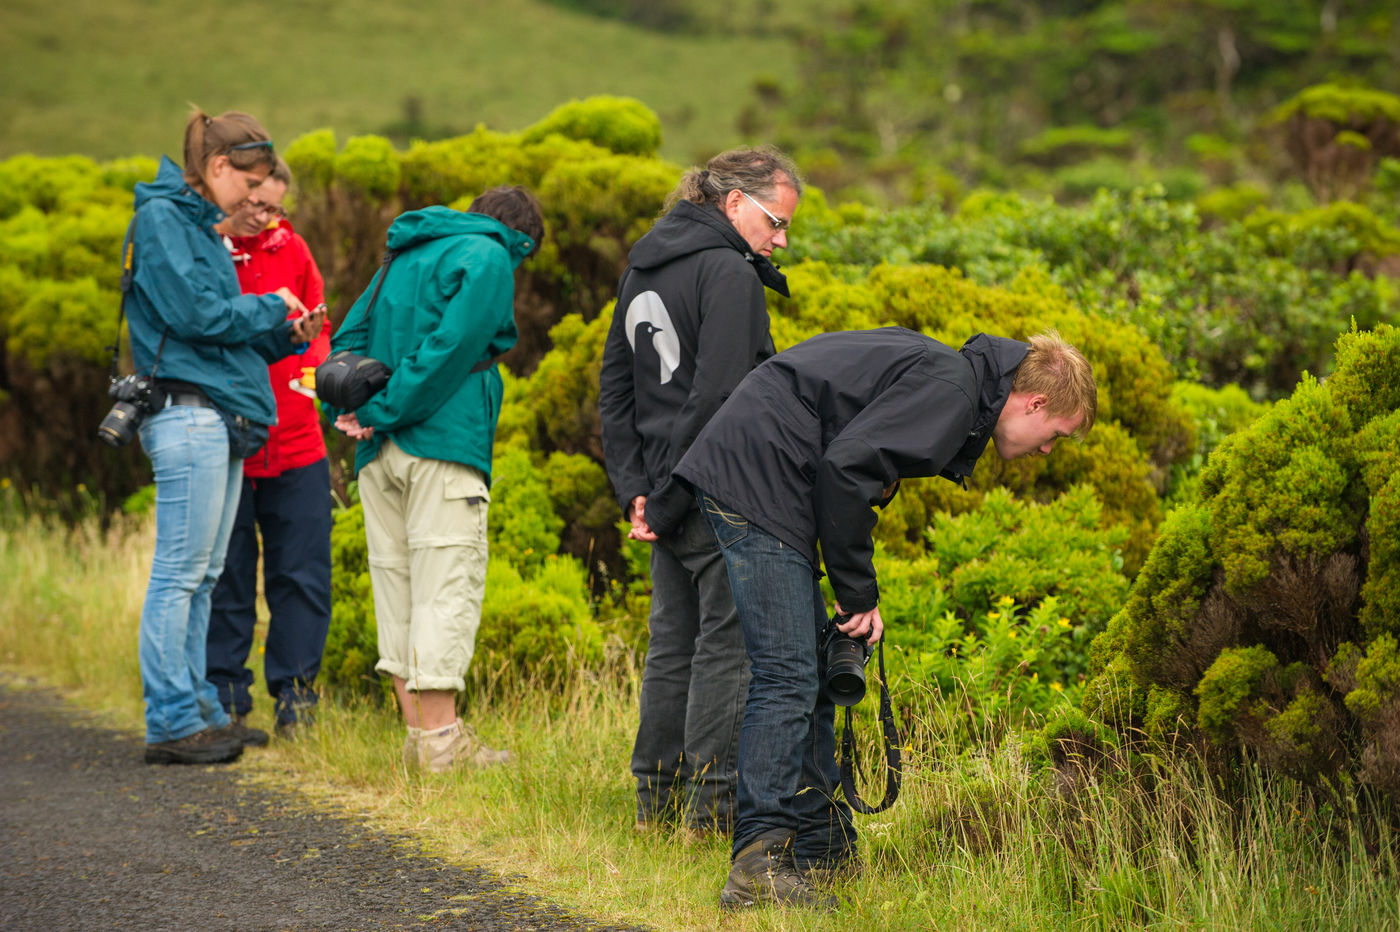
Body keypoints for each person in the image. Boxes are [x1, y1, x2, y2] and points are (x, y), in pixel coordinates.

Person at [673, 328, 1097, 909]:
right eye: (1056, 437)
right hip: (758, 479)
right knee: (788, 675)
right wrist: (858, 596)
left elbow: (844, 448)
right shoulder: (951, 391)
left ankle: (821, 850)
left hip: (760, 470)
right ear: (1035, 403)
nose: (1048, 450)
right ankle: (757, 870)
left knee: (808, 672)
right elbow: (846, 471)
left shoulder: (951, 378)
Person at [598, 146, 803, 837]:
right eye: (776, 223)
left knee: (672, 647)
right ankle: (709, 816)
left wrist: (639, 491)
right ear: (735, 203)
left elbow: (615, 390)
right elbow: (719, 394)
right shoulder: (729, 273)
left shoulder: (642, 265)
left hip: (665, 489)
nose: (780, 240)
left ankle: (652, 808)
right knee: (725, 648)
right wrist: (669, 496)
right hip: (714, 490)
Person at [129, 109, 326, 766]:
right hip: (187, 413)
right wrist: (273, 307)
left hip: (218, 414)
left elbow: (218, 334)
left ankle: (204, 711)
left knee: (204, 573)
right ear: (218, 168)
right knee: (182, 575)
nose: (255, 202)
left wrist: (282, 335)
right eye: (251, 184)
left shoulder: (197, 227)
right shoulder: (163, 221)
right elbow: (196, 314)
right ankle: (174, 719)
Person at [328, 186, 544, 773]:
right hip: (444, 444)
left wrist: (353, 411)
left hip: (378, 455)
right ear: (520, 239)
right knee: (445, 585)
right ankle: (444, 746)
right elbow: (452, 349)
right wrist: (385, 408)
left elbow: (347, 338)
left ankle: (421, 742)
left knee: (396, 589)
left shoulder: (405, 251)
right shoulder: (492, 255)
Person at [206, 157, 333, 743]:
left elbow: (318, 321)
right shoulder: (206, 248)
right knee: (227, 574)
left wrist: (314, 366)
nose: (266, 218)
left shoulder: (295, 248)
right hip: (229, 441)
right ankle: (225, 697)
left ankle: (297, 700)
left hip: (298, 440)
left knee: (301, 575)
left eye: (277, 207)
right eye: (258, 203)